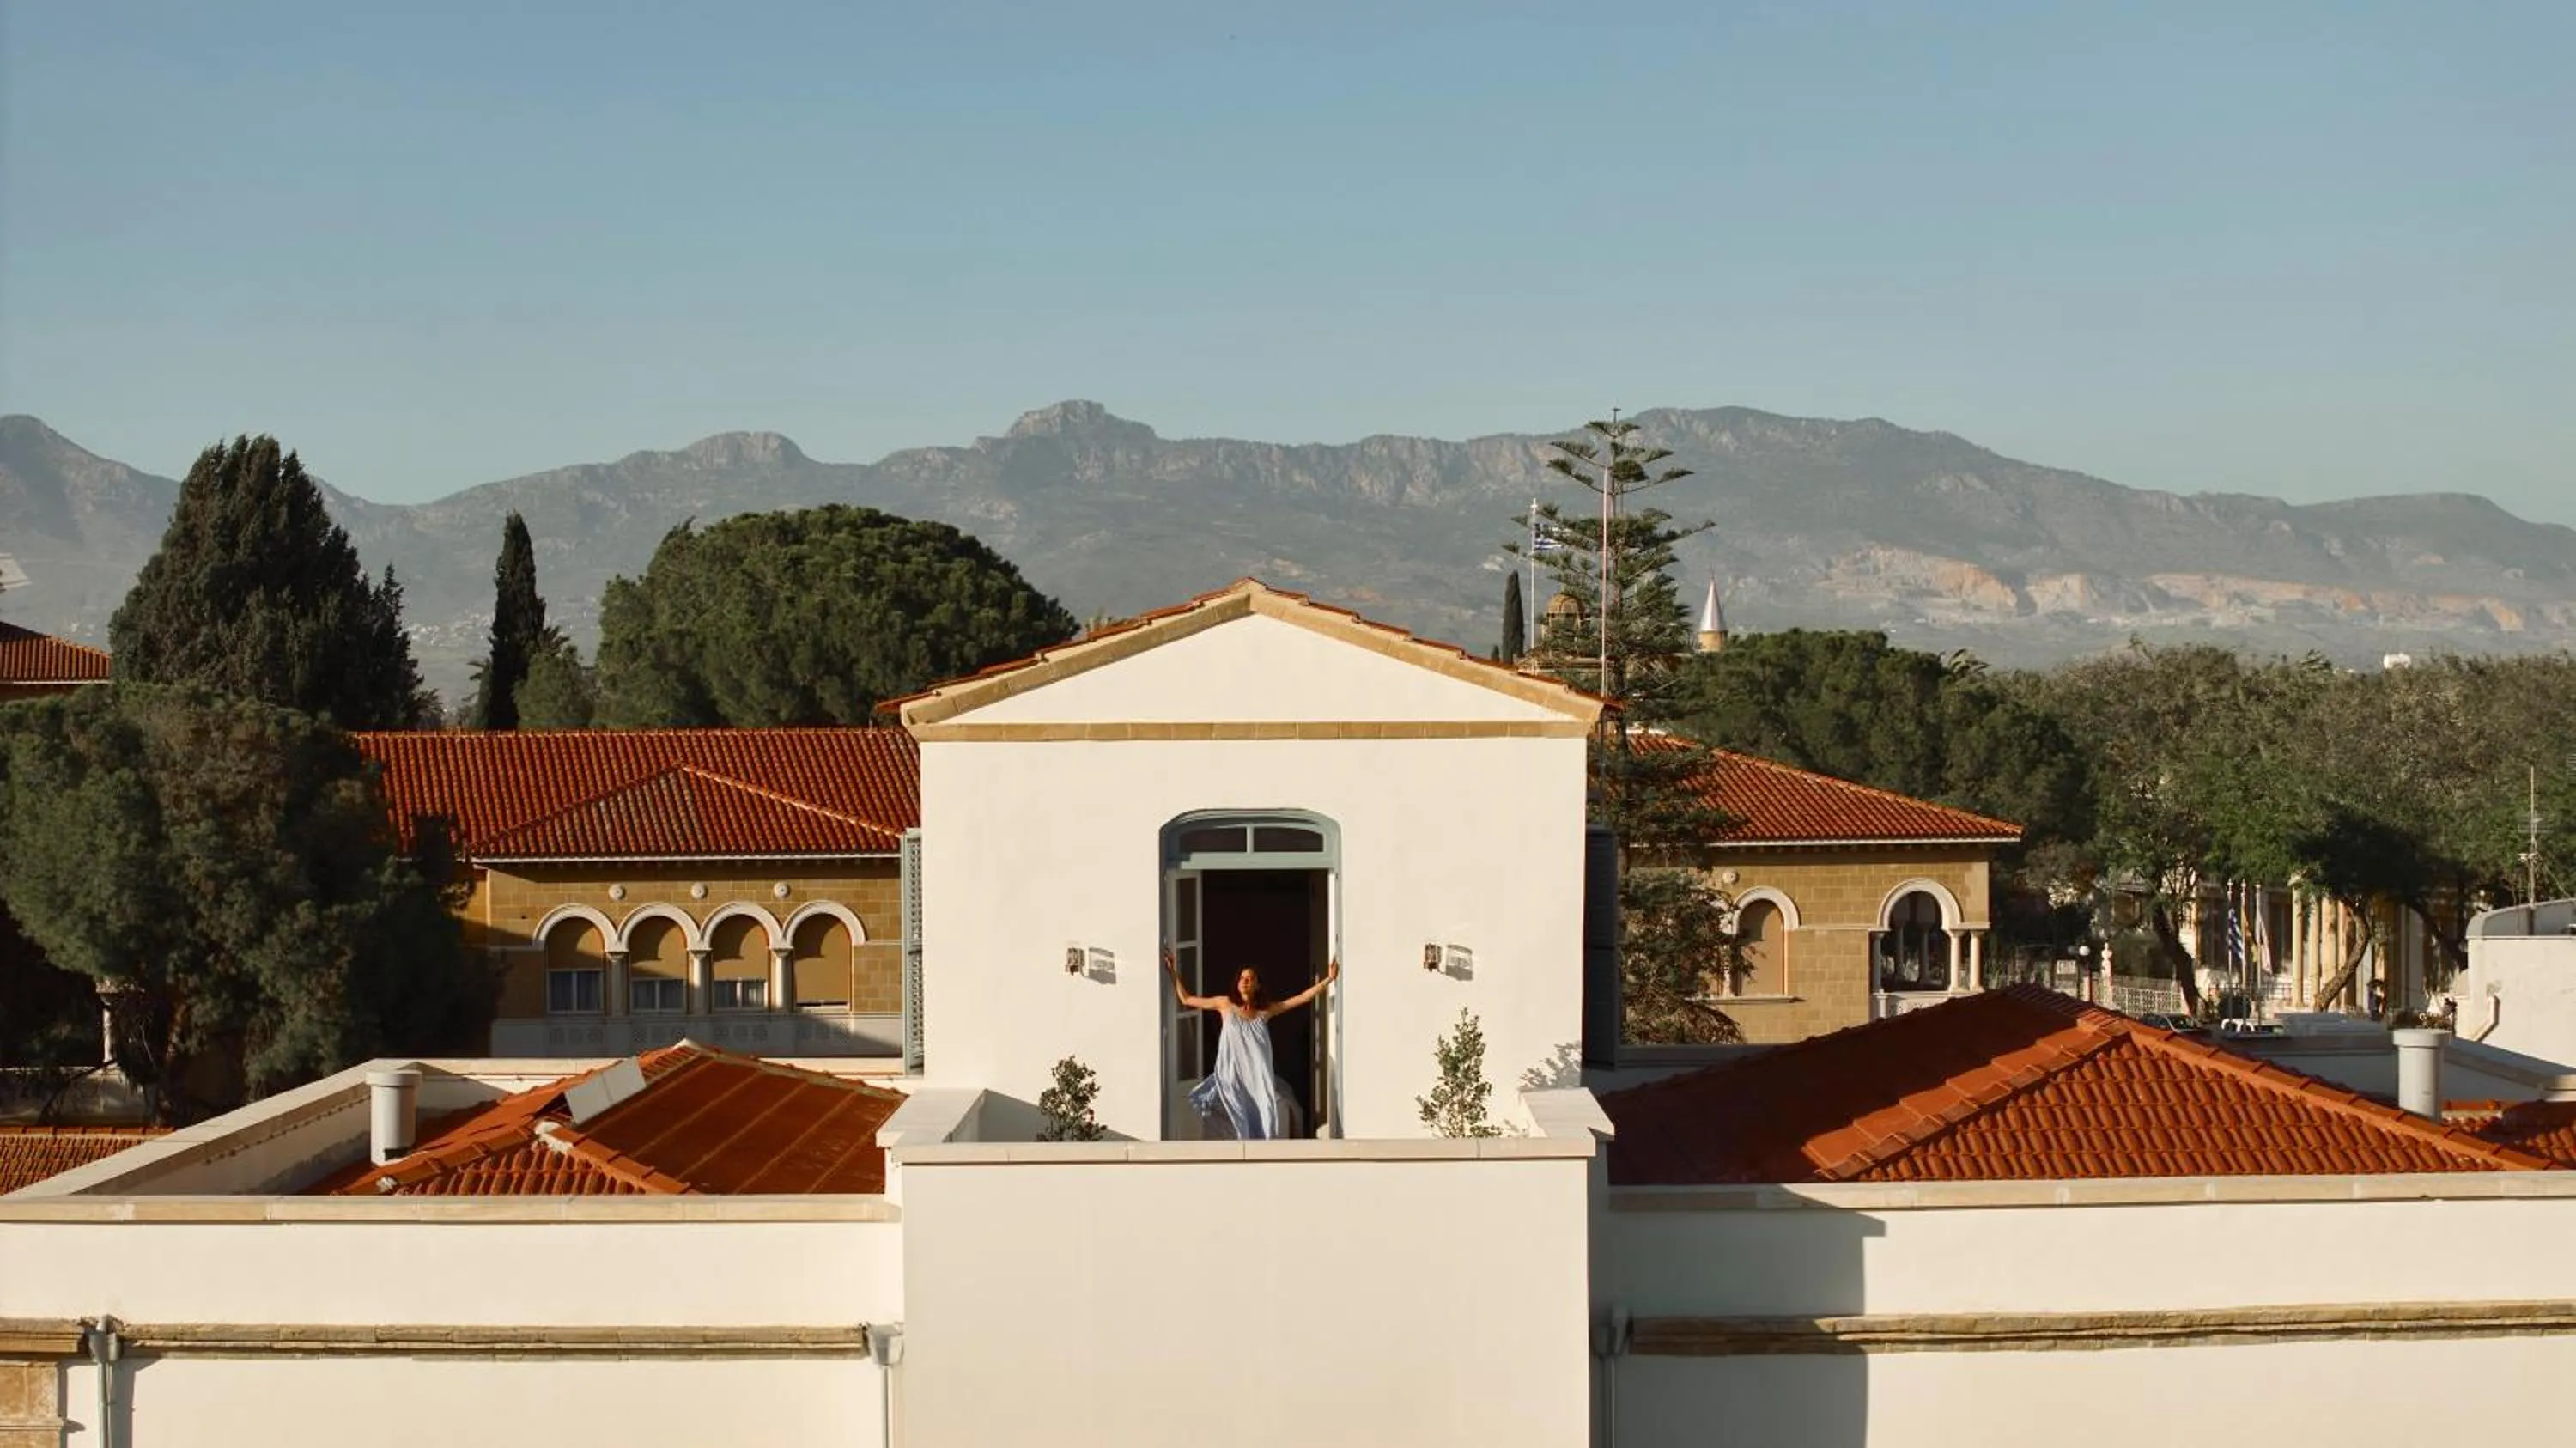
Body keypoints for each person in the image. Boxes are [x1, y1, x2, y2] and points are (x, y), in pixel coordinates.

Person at [1163, 948, 1339, 1141]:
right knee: (1235, 1119)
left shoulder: (1265, 1011)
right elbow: (1187, 999)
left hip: (1257, 1079)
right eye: (1242, 978)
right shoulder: (1225, 1004)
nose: (1245, 981)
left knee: (1262, 1122)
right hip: (1232, 1076)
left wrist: (1329, 979)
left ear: (1257, 985)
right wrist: (1172, 971)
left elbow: (1300, 999)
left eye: (1250, 978)